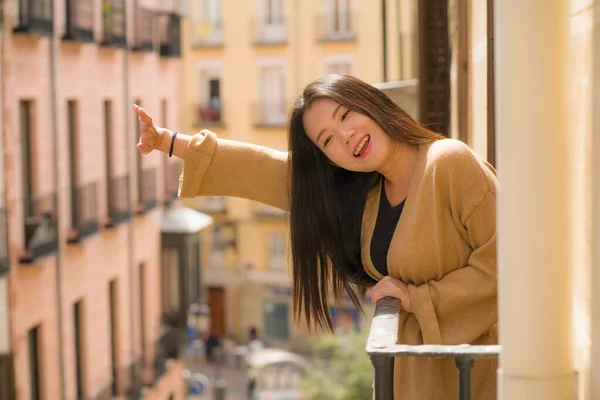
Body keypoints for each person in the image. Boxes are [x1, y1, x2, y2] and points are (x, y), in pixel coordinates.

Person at [133, 74, 497, 400]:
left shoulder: (448, 162)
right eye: (328, 140)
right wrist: (168, 141)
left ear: (370, 102)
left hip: (476, 379)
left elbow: (509, 264)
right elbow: (271, 172)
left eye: (345, 115)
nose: (346, 135)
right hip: (414, 383)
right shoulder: (366, 197)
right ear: (331, 160)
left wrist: (417, 298)